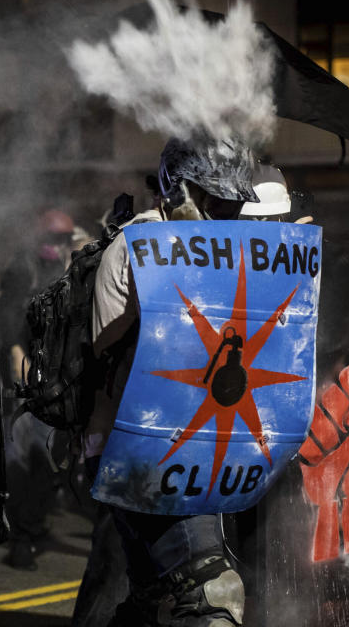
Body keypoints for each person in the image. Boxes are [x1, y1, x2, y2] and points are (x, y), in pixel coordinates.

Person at [86, 137, 258, 626]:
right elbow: (105, 355)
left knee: (155, 596)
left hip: (196, 446)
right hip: (142, 443)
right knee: (212, 590)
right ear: (181, 192)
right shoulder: (136, 247)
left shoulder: (218, 248)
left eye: (233, 204)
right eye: (217, 202)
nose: (228, 215)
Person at [0, 208, 77, 570]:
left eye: (63, 239)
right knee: (20, 461)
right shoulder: (22, 268)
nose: (56, 245)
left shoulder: (64, 270)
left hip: (54, 381)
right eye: (53, 238)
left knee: (48, 463)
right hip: (25, 380)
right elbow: (11, 319)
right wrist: (19, 359)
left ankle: (31, 526)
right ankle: (21, 537)